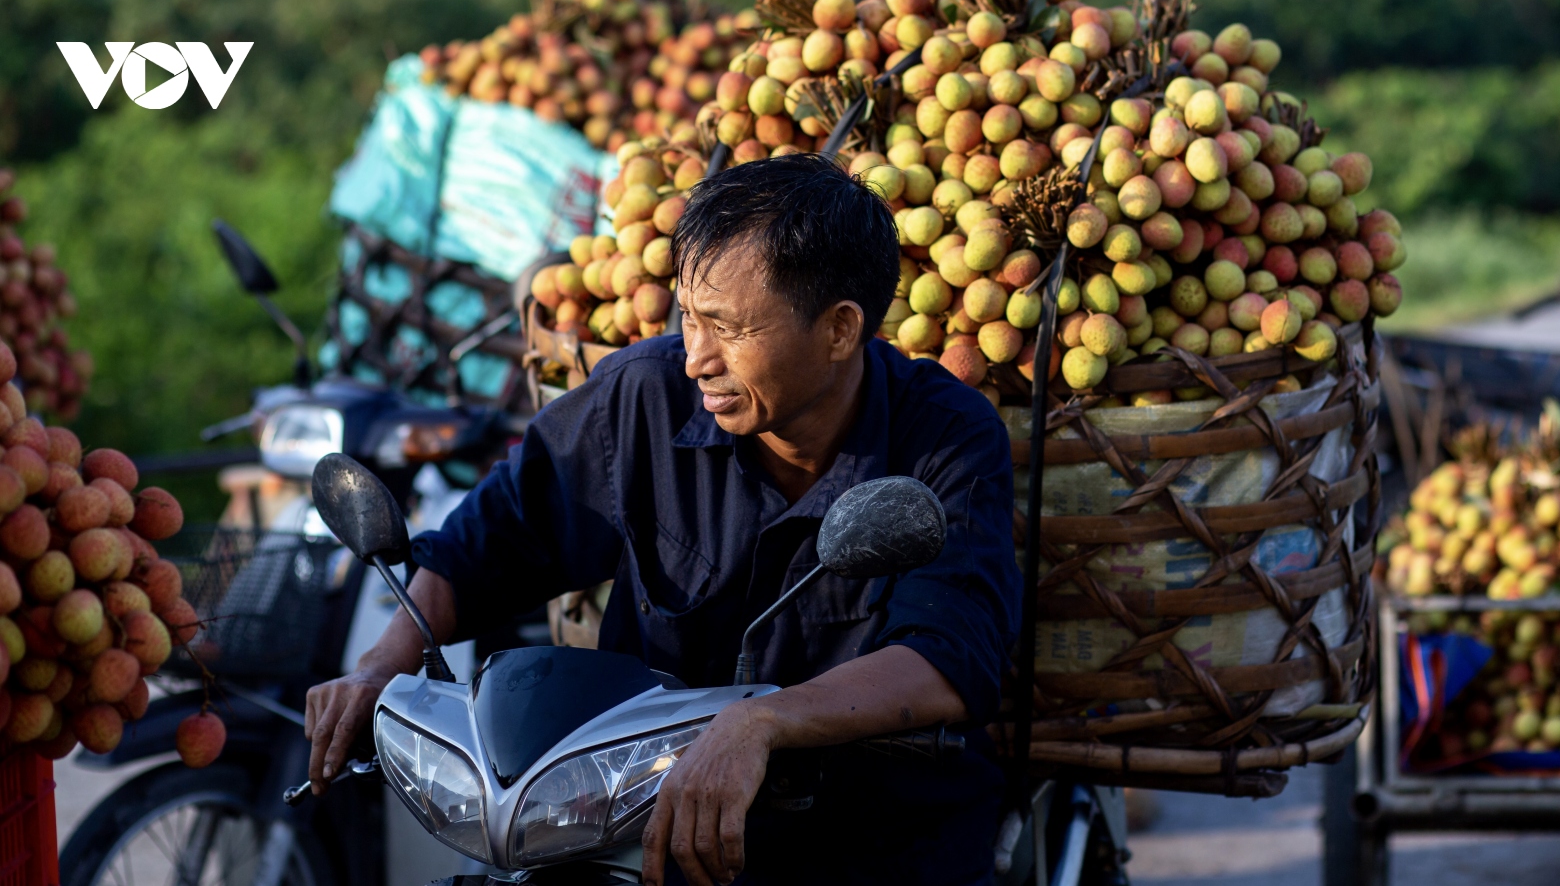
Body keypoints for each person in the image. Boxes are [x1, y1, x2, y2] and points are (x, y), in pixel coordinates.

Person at [303, 153, 1022, 886]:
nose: (696, 359)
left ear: (840, 330)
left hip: (874, 844)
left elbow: (947, 658)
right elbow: (482, 546)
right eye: (688, 318)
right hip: (639, 837)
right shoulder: (640, 397)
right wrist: (378, 668)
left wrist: (763, 723)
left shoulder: (946, 436)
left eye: (728, 328)